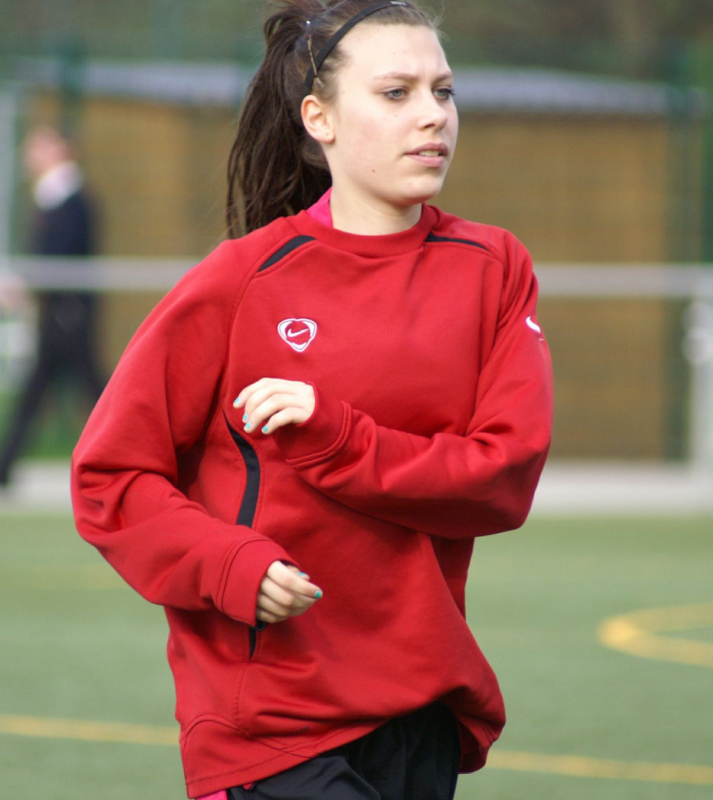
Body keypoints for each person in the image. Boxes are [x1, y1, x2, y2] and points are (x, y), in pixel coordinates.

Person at [71, 1, 553, 798]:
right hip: (269, 719)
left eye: (444, 91)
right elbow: (110, 478)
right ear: (318, 118)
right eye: (396, 93)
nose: (433, 115)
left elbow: (503, 476)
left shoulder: (494, 267)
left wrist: (336, 438)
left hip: (421, 705)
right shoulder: (241, 280)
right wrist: (227, 563)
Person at [0, 125, 105, 487]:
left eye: (41, 146)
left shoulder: (73, 200)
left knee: (97, 394)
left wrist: (27, 283)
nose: (32, 155)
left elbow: (60, 254)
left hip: (70, 316)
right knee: (40, 393)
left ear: (62, 149)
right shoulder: (50, 198)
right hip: (55, 317)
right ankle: (4, 467)